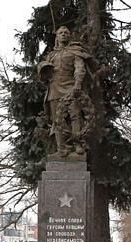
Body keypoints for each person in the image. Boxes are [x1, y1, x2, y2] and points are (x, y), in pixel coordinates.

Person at [36, 25, 95, 157]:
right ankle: (61, 148)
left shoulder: (75, 52)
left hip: (71, 86)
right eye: (61, 32)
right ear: (57, 36)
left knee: (75, 116)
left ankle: (78, 143)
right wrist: (44, 71)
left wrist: (78, 84)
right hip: (54, 88)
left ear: (69, 36)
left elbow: (80, 68)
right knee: (57, 119)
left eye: (66, 32)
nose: (63, 34)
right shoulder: (51, 55)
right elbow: (43, 75)